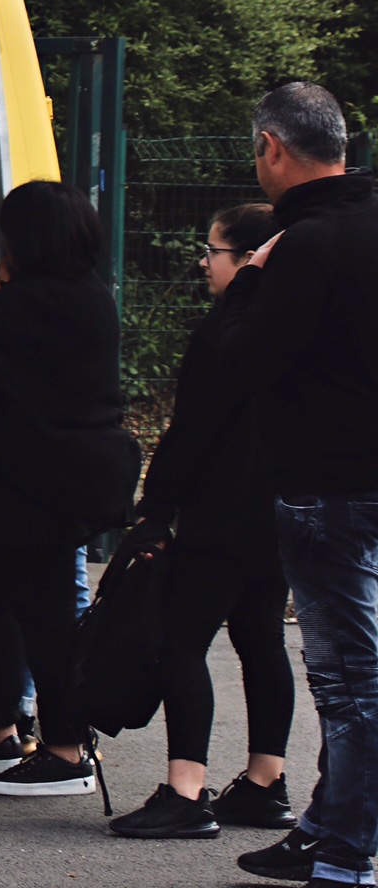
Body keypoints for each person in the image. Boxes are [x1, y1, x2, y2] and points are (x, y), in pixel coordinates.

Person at [0, 180, 139, 798]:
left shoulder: (41, 305)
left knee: (44, 615)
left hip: (44, 487)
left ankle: (67, 750)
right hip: (37, 480)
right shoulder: (82, 296)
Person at [213, 83, 378, 887]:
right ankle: (327, 823)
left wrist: (248, 279)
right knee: (357, 668)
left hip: (326, 482)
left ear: (273, 147)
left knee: (348, 677)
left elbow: (242, 362)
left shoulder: (304, 247)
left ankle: (347, 849)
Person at [110, 201, 297, 840]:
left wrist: (157, 508)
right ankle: (265, 780)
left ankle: (186, 789)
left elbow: (189, 430)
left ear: (247, 260)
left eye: (213, 251)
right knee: (262, 639)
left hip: (221, 510)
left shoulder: (224, 333)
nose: (203, 261)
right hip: (278, 511)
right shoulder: (296, 329)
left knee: (182, 640)